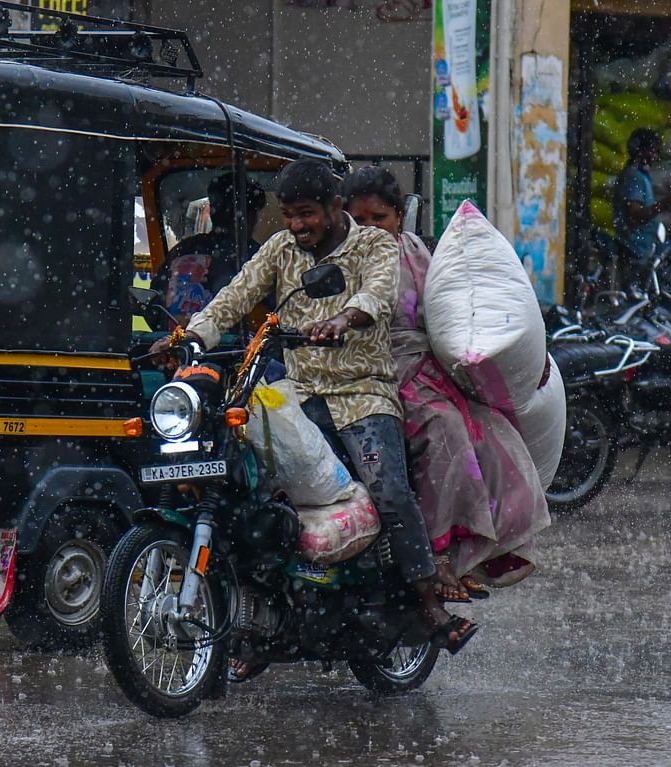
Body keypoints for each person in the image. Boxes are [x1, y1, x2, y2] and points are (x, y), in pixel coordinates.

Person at [150, 159, 476, 653]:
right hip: (297, 394)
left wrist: (347, 317)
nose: (297, 226)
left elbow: (379, 294)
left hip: (362, 394)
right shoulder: (280, 250)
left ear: (334, 207)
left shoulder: (372, 244)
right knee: (247, 482)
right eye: (288, 215)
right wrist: (189, 335)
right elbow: (234, 297)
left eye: (306, 214)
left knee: (388, 488)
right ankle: (262, 609)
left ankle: (429, 603)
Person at [342, 166, 551, 601]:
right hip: (381, 375)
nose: (369, 229)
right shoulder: (343, 261)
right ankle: (437, 558)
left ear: (399, 216)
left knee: (491, 432)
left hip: (429, 370)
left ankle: (476, 553)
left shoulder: (419, 252)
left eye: (378, 218)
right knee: (447, 433)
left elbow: (447, 314)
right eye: (359, 220)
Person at [151, 173, 267, 324]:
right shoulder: (258, 256)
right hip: (238, 347)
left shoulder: (183, 250)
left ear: (212, 211)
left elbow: (154, 308)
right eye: (251, 213)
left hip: (176, 345)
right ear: (249, 215)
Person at [613, 128, 671, 261]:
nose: (655, 156)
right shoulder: (633, 177)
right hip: (636, 248)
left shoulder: (641, 175)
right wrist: (666, 202)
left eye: (656, 152)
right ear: (639, 151)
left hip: (644, 244)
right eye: (651, 151)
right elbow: (635, 216)